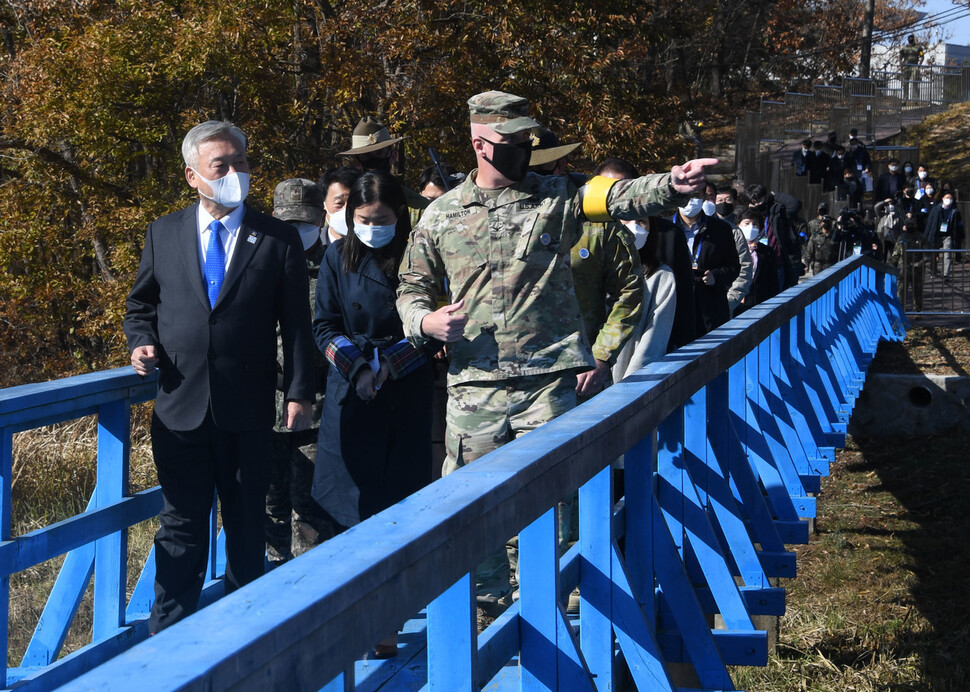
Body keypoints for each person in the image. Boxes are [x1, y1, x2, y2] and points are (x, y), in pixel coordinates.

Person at [396, 90, 714, 614]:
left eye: (527, 139)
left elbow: (618, 197)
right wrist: (425, 321)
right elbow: (411, 287)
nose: (524, 147)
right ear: (480, 142)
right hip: (474, 385)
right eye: (512, 140)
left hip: (547, 381)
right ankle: (488, 616)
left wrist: (672, 185)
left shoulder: (558, 197)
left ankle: (553, 612)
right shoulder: (439, 215)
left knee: (553, 504)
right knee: (472, 507)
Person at [123, 120, 315, 633]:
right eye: (221, 166)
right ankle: (170, 642)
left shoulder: (277, 238)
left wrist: (298, 391)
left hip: (248, 407)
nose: (235, 173)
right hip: (179, 405)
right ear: (192, 176)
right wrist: (140, 340)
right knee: (180, 528)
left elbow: (298, 323)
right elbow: (140, 303)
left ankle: (245, 638)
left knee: (248, 527)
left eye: (241, 163)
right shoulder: (163, 232)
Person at [531, 130, 644, 398]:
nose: (531, 178)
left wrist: (602, 356)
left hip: (578, 376)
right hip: (512, 377)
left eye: (541, 168)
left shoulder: (597, 222)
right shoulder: (498, 216)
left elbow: (630, 292)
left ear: (560, 166)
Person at [264, 178, 339, 565]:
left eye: (305, 222)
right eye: (289, 222)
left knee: (311, 506)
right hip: (264, 405)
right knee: (268, 505)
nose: (297, 232)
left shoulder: (335, 264)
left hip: (319, 405)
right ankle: (266, 591)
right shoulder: (258, 265)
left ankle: (309, 591)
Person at [611, 223, 677, 381]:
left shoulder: (661, 276)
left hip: (627, 380)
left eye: (642, 221)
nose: (633, 227)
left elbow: (654, 339)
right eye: (626, 220)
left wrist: (629, 384)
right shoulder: (592, 271)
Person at [339, 116, 429, 224]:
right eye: (366, 156)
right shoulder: (342, 207)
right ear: (357, 162)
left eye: (380, 153)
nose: (373, 161)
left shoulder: (420, 209)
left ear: (393, 156)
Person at [673, 196, 741, 335]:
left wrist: (716, 276)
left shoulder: (720, 228)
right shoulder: (666, 228)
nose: (690, 200)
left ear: (703, 197)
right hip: (676, 305)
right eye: (685, 195)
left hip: (711, 306)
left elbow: (733, 266)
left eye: (695, 195)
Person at [707, 183, 752, 315]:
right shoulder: (685, 230)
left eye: (728, 200)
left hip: (724, 302)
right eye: (719, 200)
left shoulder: (734, 231)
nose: (723, 203)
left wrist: (729, 301)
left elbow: (744, 268)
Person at [734, 209, 780, 314]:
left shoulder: (766, 252)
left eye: (755, 224)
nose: (751, 227)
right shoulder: (731, 249)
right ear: (738, 225)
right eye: (747, 223)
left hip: (760, 303)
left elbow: (773, 281)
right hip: (736, 303)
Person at [924, 190, 964, 280]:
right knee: (934, 254)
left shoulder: (955, 211)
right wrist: (926, 236)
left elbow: (959, 225)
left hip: (948, 235)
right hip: (936, 235)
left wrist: (962, 236)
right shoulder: (936, 209)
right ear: (942, 199)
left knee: (947, 255)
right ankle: (933, 271)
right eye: (946, 198)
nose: (948, 200)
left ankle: (946, 274)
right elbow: (930, 223)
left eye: (950, 198)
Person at [318, 166, 362, 247]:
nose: (346, 210)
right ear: (323, 204)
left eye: (354, 202)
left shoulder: (375, 248)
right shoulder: (311, 248)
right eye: (339, 203)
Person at [899, 34, 924, 101]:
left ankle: (916, 99)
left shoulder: (918, 48)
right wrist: (901, 65)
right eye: (909, 38)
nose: (910, 39)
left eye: (911, 38)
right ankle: (905, 98)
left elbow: (922, 56)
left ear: (913, 39)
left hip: (914, 67)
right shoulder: (904, 48)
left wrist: (919, 65)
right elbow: (900, 57)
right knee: (905, 83)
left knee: (915, 82)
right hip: (906, 67)